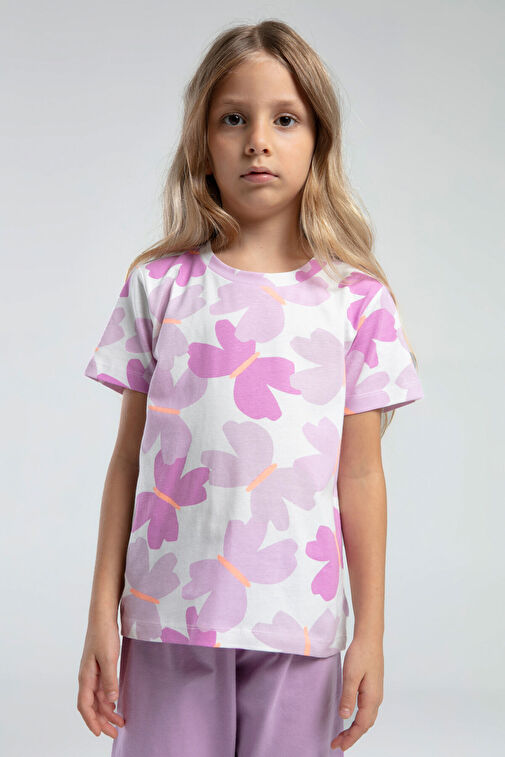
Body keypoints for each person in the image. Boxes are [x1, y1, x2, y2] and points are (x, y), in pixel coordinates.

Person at [77, 19, 424, 756]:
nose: (257, 141)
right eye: (233, 119)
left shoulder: (356, 302)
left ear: (318, 140)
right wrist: (101, 614)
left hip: (298, 622)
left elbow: (361, 475)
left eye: (284, 119)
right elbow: (128, 462)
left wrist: (370, 632)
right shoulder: (158, 287)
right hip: (166, 618)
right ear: (202, 142)